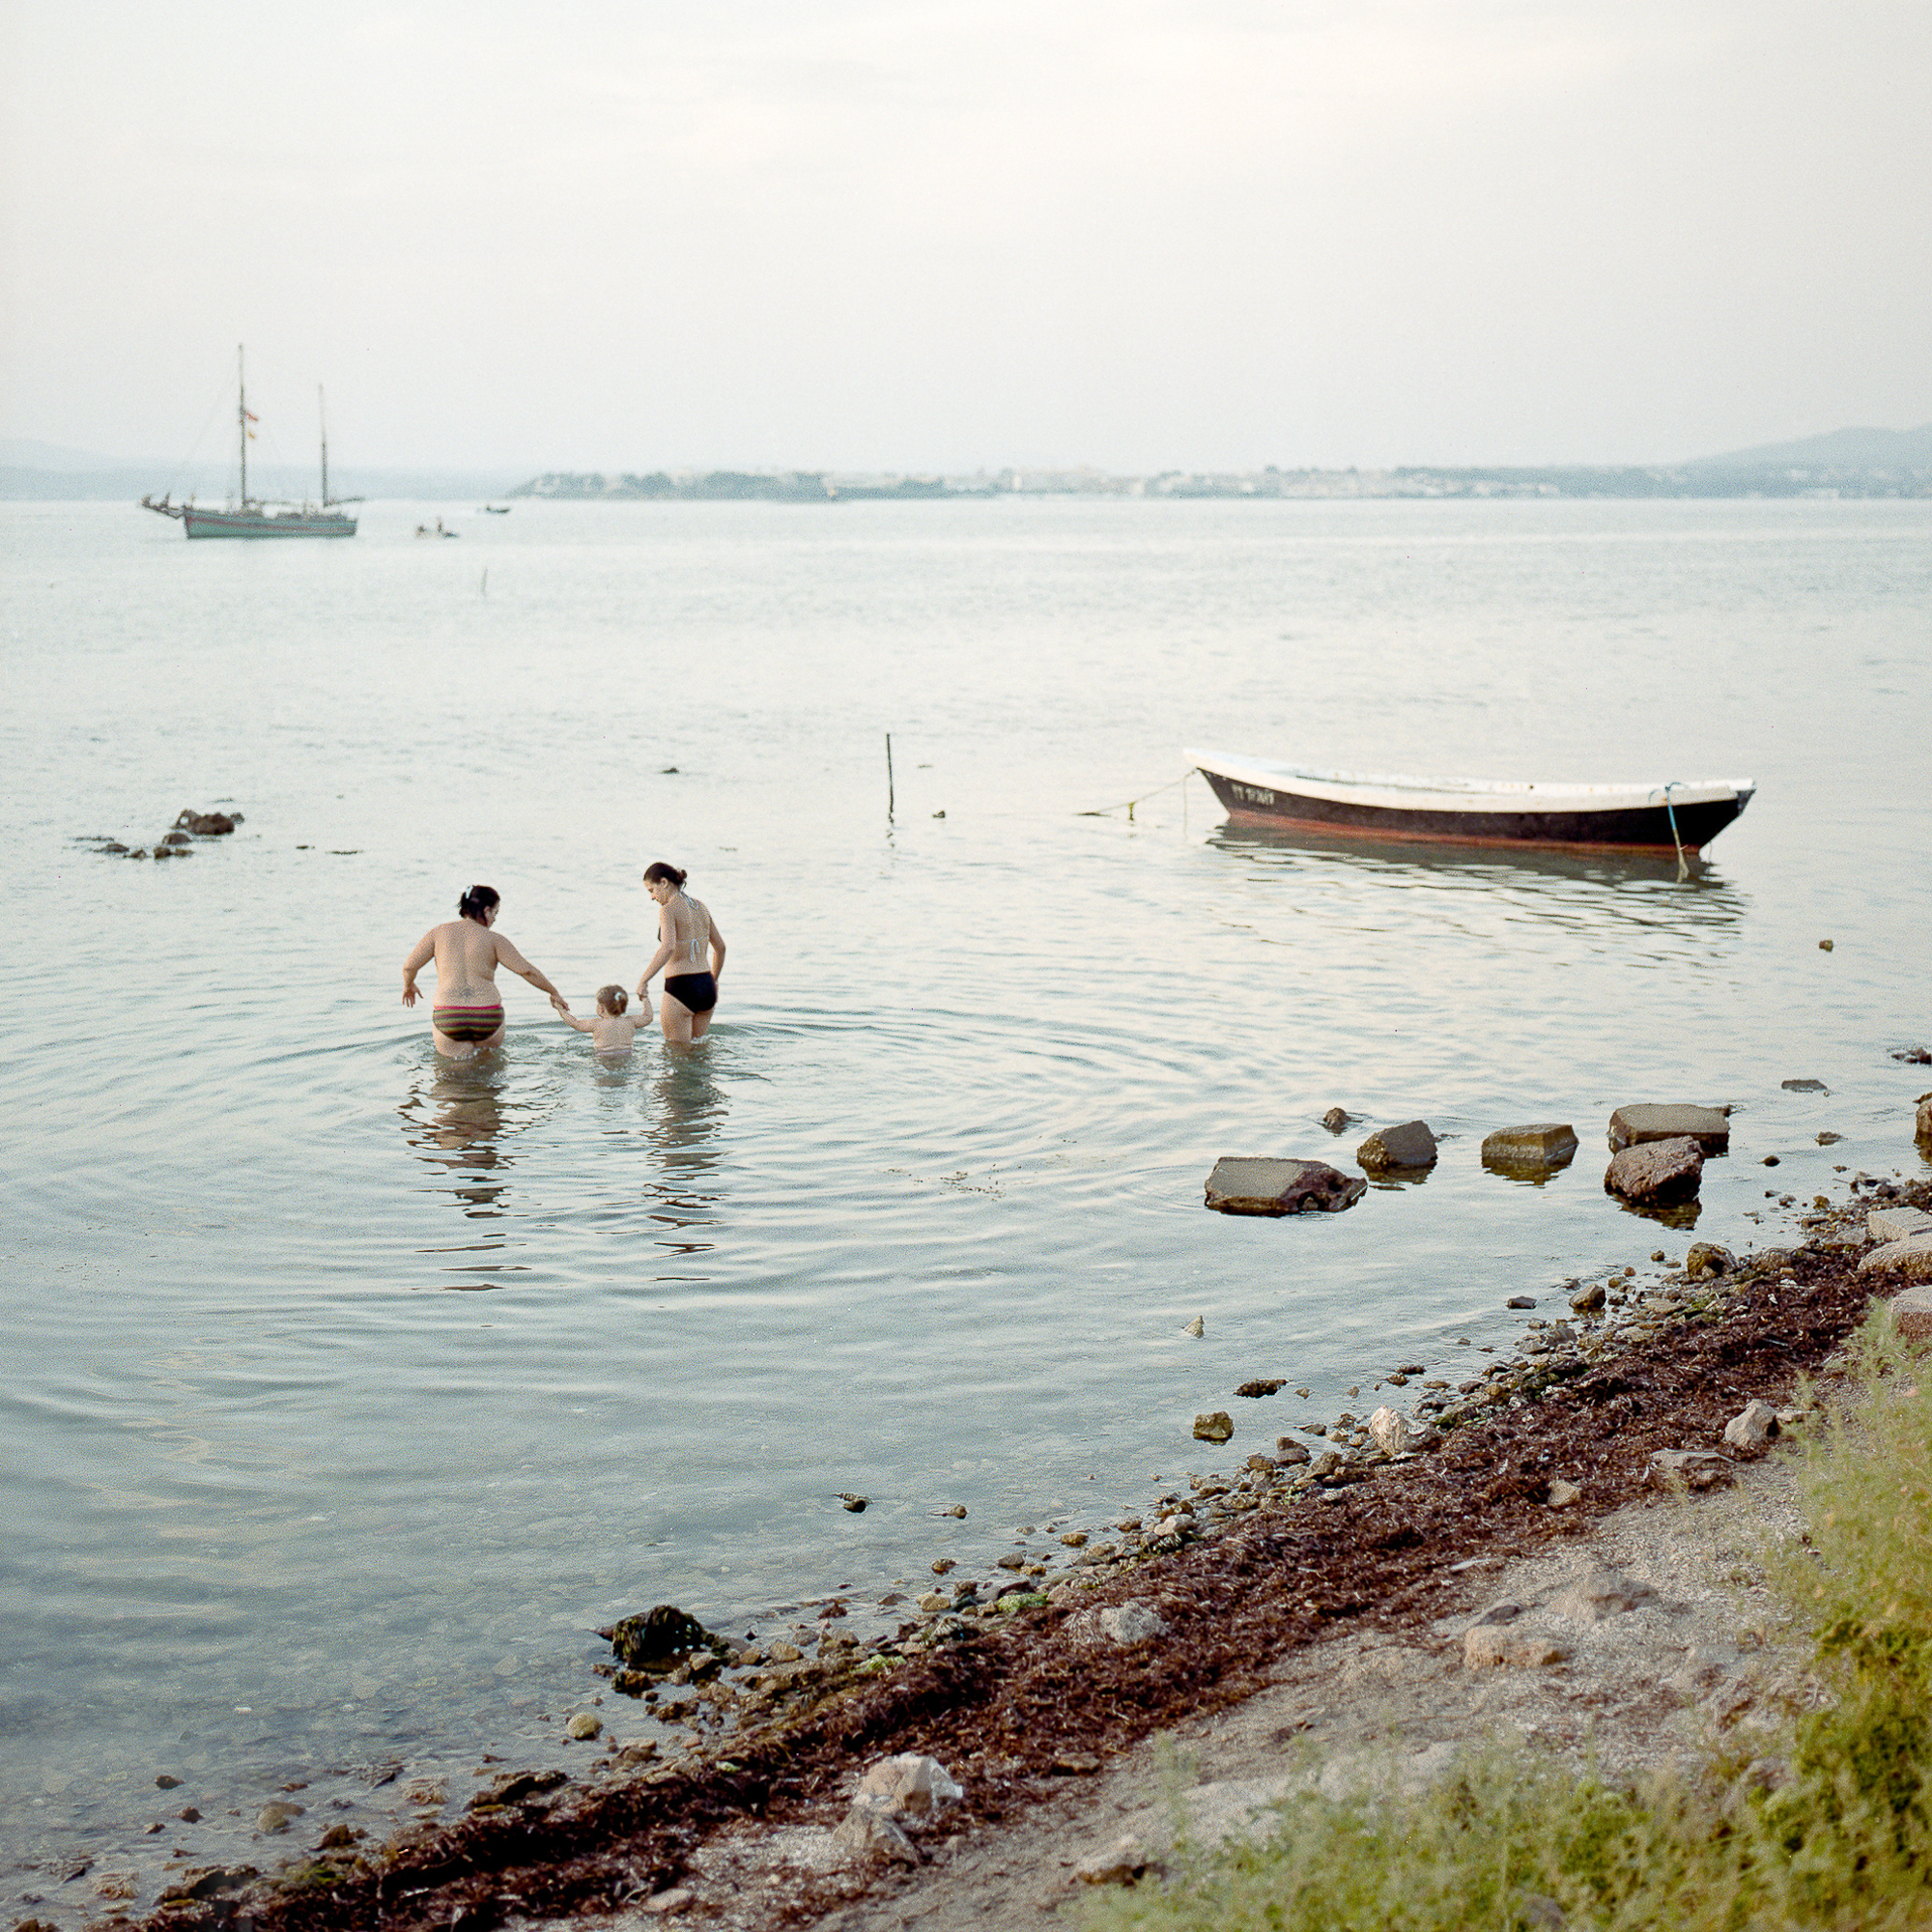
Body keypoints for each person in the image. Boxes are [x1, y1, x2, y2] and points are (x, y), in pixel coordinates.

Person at [402, 885, 570, 1057]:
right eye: (495, 913)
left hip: (449, 1016)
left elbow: (409, 966)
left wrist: (409, 985)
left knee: (452, 1078)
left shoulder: (437, 933)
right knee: (488, 1074)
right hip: (487, 1016)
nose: (495, 919)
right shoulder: (494, 939)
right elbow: (527, 971)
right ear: (486, 910)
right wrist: (553, 992)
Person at [636, 862, 725, 1044]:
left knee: (676, 1057)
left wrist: (644, 980)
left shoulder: (667, 910)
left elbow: (667, 947)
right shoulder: (701, 907)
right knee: (699, 1053)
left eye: (651, 890)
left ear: (664, 883)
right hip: (706, 987)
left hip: (681, 988)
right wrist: (714, 980)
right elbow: (721, 948)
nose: (652, 897)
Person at [557, 983, 651, 1054]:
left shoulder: (597, 1024)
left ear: (601, 1008)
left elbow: (574, 1023)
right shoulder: (630, 1021)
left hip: (603, 1056)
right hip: (626, 1054)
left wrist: (561, 1009)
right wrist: (645, 998)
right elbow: (648, 1017)